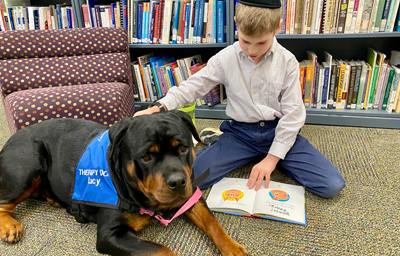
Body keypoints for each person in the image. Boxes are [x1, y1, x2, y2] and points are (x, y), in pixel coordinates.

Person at [134, 0, 346, 198]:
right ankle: (223, 143)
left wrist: (272, 159)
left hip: (278, 131)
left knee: (332, 186)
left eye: (261, 42)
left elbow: (293, 115)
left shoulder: (287, 61)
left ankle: (272, 156)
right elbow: (192, 87)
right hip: (240, 134)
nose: (252, 50)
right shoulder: (225, 57)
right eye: (245, 41)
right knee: (191, 180)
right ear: (236, 24)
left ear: (277, 28)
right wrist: (159, 106)